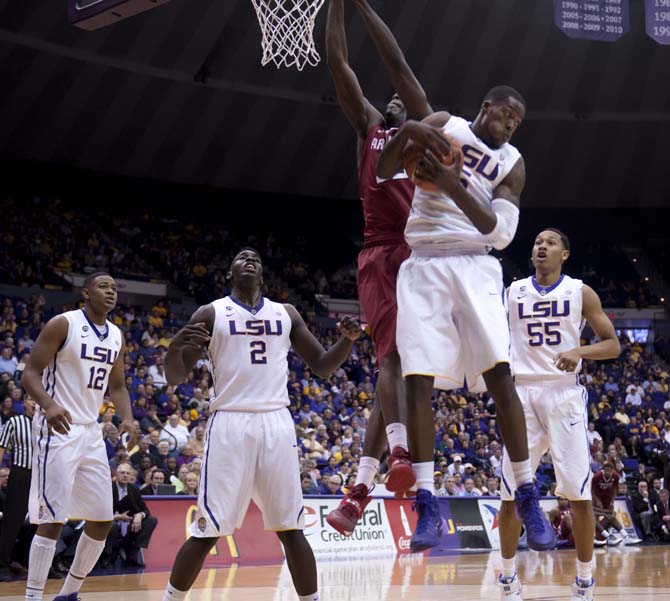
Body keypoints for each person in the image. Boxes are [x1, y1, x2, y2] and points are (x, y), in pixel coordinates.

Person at [377, 85, 555, 553]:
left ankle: (527, 493)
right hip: (423, 264)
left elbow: (499, 234)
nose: (513, 122)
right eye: (507, 113)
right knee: (417, 380)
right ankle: (427, 503)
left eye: (519, 119)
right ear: (485, 108)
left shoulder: (512, 163)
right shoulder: (445, 126)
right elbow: (381, 169)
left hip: (476, 264)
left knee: (501, 376)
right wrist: (409, 129)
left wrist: (453, 183)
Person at [160, 248, 361, 601]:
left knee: (292, 528)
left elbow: (323, 365)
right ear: (229, 274)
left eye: (255, 258)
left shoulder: (286, 313)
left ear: (264, 274)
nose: (249, 260)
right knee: (207, 531)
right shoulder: (211, 313)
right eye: (240, 257)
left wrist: (347, 341)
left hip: (276, 423)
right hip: (230, 423)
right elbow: (176, 376)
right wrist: (173, 348)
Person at [324, 0, 434, 535]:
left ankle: (362, 487)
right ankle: (392, 459)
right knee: (390, 362)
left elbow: (403, 71)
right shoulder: (369, 128)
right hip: (382, 253)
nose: (394, 98)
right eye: (387, 98)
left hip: (424, 259)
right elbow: (340, 64)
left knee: (408, 375)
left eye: (401, 99)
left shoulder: (427, 137)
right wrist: (338, 7)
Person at [496, 229, 621, 600]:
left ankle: (584, 582)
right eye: (537, 241)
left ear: (564, 254)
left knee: (579, 495)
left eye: (550, 242)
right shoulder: (512, 291)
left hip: (564, 393)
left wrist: (579, 352)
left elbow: (613, 344)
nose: (541, 246)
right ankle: (507, 580)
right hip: (520, 393)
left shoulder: (581, 292)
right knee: (509, 492)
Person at [20, 272, 136, 601]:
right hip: (57, 427)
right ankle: (33, 597)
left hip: (90, 432)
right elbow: (30, 373)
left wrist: (127, 417)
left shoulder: (116, 335)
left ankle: (69, 593)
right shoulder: (63, 323)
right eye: (103, 286)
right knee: (53, 518)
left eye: (115, 288)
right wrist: (48, 404)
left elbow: (117, 386)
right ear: (86, 292)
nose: (111, 292)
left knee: (101, 519)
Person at [0, 395, 35, 581]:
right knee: (12, 521)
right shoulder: (14, 422)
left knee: (40, 521)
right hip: (20, 473)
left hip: (42, 476)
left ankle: (25, 562)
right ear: (25, 403)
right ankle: (2, 564)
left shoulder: (46, 424)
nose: (35, 404)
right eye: (32, 400)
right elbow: (1, 447)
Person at [104, 463, 158, 568]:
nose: (125, 475)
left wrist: (140, 515)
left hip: (129, 525)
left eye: (128, 473)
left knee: (151, 520)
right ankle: (107, 557)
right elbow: (100, 512)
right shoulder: (108, 488)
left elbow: (145, 510)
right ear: (116, 474)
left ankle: (132, 555)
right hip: (110, 522)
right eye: (122, 473)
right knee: (112, 525)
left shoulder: (134, 489)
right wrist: (117, 517)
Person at [592, 462, 641, 547]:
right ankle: (596, 538)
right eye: (606, 471)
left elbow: (615, 488)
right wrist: (598, 502)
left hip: (607, 498)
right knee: (594, 518)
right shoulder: (596, 477)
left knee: (611, 516)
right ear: (603, 470)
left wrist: (612, 500)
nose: (608, 473)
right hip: (597, 499)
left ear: (612, 471)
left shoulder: (615, 476)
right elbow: (592, 492)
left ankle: (625, 536)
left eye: (609, 471)